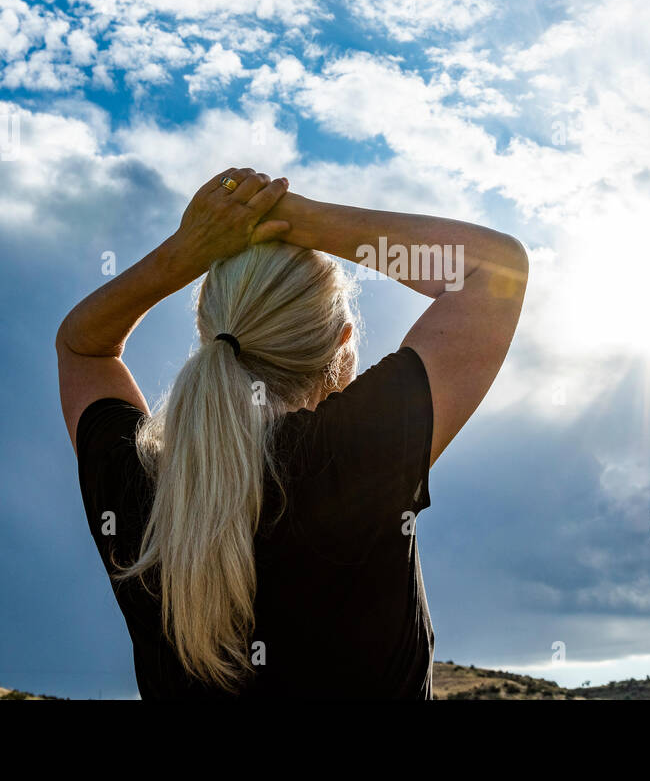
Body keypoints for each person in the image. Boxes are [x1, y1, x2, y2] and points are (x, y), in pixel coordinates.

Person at [56, 167, 528, 698]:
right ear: (343, 344)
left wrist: (187, 252)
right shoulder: (354, 455)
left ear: (207, 335)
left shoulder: (137, 483)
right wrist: (294, 217)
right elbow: (493, 270)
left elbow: (83, 346)